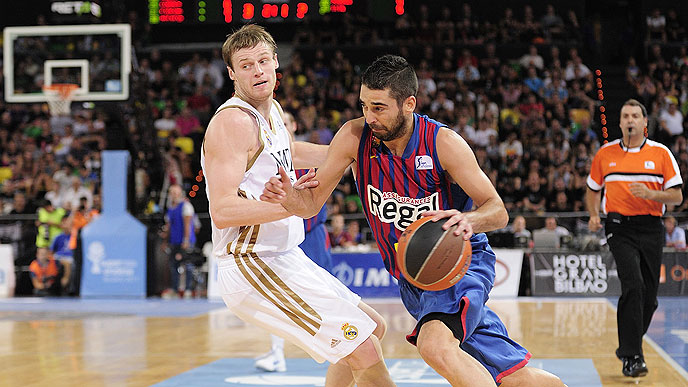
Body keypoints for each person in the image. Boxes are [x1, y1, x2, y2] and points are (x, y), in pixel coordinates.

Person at [262, 55, 564, 386]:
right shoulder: (353, 137)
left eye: (379, 108)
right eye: (364, 106)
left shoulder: (443, 143)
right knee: (512, 377)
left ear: (409, 104)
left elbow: (497, 210)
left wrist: (468, 221)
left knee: (433, 344)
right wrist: (287, 196)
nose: (369, 117)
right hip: (413, 279)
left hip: (459, 265)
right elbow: (309, 205)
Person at [200, 25, 395, 387]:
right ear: (232, 73)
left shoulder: (271, 109)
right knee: (363, 349)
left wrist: (352, 155)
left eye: (262, 61)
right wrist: (294, 206)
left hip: (285, 255)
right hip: (252, 262)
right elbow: (222, 209)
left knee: (373, 328)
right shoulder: (232, 123)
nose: (257, 70)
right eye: (245, 65)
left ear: (276, 63)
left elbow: (292, 151)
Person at [586, 99, 683, 378]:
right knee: (634, 285)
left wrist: (652, 194)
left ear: (644, 122)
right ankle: (632, 356)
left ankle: (629, 342)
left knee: (649, 298)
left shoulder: (661, 153)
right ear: (620, 122)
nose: (630, 120)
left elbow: (676, 196)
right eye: (625, 115)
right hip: (619, 227)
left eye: (635, 115)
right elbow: (593, 189)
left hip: (651, 226)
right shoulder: (605, 154)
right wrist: (594, 214)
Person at [254, 111, 334, 373]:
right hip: (285, 239)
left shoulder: (305, 156)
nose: (282, 128)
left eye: (286, 123)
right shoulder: (271, 160)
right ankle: (277, 353)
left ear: (294, 126)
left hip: (311, 234)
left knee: (327, 295)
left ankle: (336, 342)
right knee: (277, 298)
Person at [161, 184, 196, 299]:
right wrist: (165, 240)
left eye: (176, 193)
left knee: (187, 265)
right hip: (174, 241)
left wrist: (186, 240)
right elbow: (169, 226)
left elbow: (187, 224)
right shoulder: (170, 209)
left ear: (180, 193)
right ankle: (175, 289)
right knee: (173, 265)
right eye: (172, 193)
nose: (174, 195)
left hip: (185, 240)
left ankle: (188, 289)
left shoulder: (186, 206)